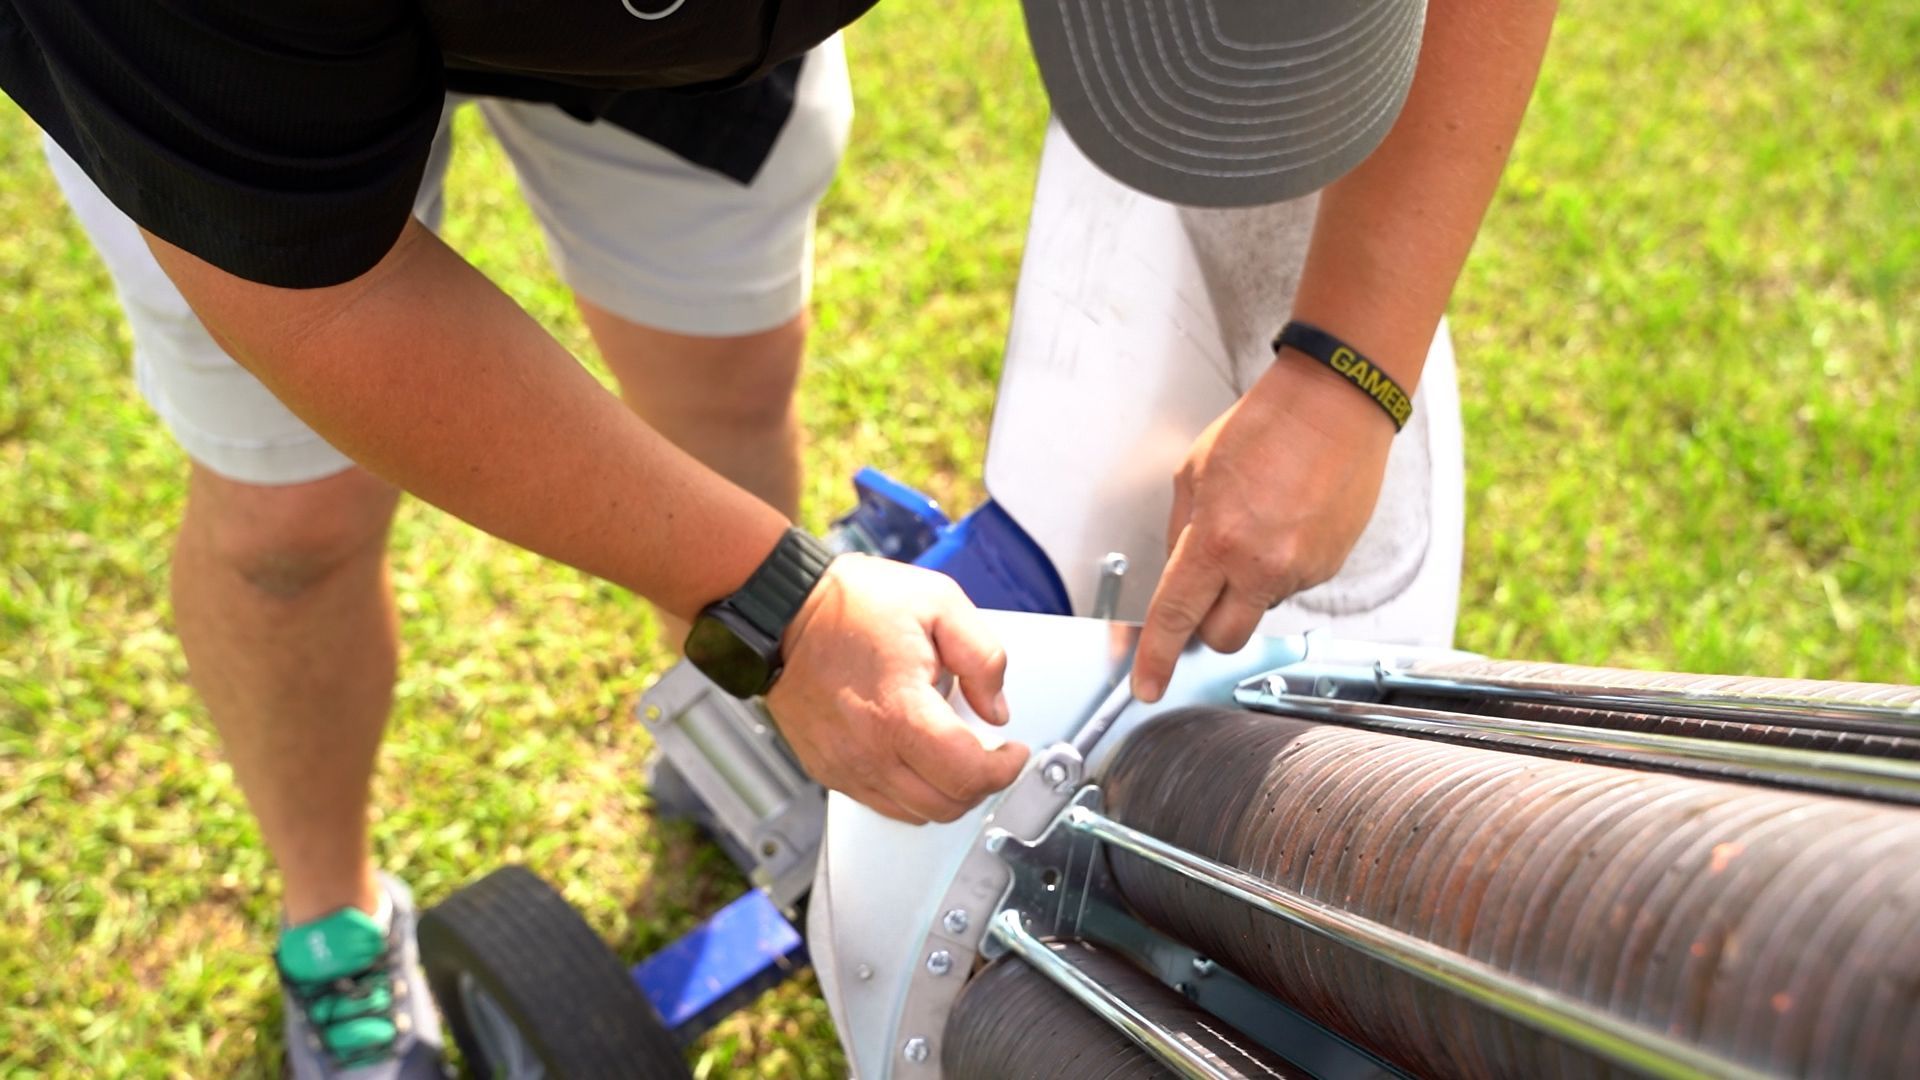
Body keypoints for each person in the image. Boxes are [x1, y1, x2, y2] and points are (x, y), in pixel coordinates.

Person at [2, 0, 1554, 1074]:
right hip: (248, 78)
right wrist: (778, 604)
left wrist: (1352, 370)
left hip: (688, 53)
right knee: (295, 518)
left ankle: (740, 735)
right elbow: (311, 291)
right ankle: (331, 919)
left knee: (728, 383)